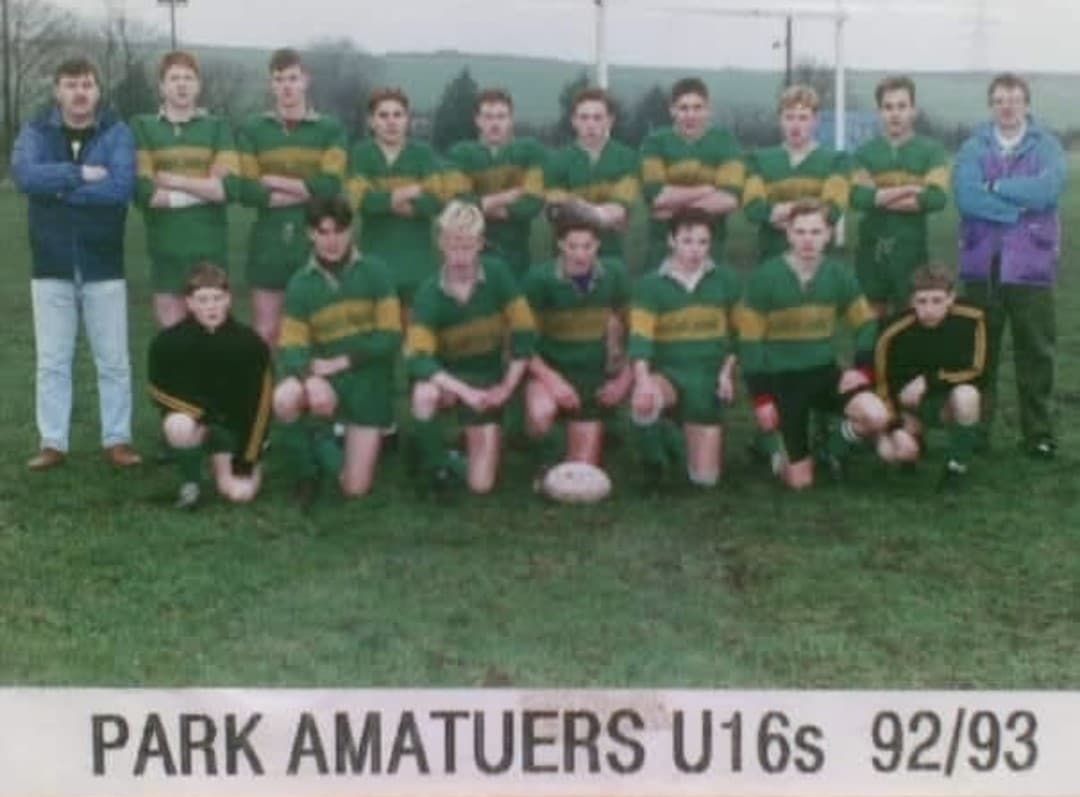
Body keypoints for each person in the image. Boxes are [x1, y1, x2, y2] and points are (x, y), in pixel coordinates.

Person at [11, 56, 141, 471]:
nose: (80, 92)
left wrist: (61, 190)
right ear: (57, 91)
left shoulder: (117, 132)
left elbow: (120, 188)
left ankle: (117, 440)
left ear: (98, 90)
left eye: (87, 84)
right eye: (71, 84)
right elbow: (25, 176)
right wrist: (80, 174)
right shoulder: (35, 131)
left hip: (104, 261)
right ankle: (53, 443)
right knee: (52, 360)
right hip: (51, 262)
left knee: (114, 360)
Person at [952, 72, 1067, 459]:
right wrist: (1018, 210)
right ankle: (976, 430)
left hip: (1031, 265)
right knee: (980, 351)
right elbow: (967, 197)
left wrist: (996, 188)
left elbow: (1047, 190)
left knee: (1035, 352)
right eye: (1000, 99)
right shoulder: (973, 147)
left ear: (1027, 104)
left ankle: (1038, 433)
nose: (1007, 106)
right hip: (981, 265)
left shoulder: (1046, 146)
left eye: (1015, 99)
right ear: (991, 105)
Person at [736, 200, 888, 490]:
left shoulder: (839, 274)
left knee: (875, 414)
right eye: (801, 232)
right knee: (800, 483)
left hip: (824, 373)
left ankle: (832, 446)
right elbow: (750, 343)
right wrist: (762, 399)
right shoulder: (765, 277)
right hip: (782, 379)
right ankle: (770, 442)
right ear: (788, 234)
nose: (808, 240)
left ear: (829, 234)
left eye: (816, 232)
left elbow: (866, 323)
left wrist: (862, 370)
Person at [273, 197, 402, 507]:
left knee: (354, 488)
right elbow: (291, 345)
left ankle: (323, 438)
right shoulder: (300, 283)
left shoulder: (377, 272)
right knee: (284, 397)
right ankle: (307, 471)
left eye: (340, 231)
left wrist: (343, 361)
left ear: (351, 231)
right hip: (326, 379)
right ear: (310, 234)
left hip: (369, 383)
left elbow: (391, 336)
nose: (332, 241)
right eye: (323, 232)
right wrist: (309, 378)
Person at [405, 201, 536, 495]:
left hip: (488, 377)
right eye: (453, 246)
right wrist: (463, 391)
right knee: (424, 394)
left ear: (480, 243)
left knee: (480, 486)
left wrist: (505, 387)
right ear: (441, 243)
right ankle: (435, 465)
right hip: (449, 379)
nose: (460, 256)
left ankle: (457, 450)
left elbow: (525, 333)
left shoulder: (499, 274)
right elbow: (419, 358)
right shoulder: (429, 292)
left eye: (467, 246)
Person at [237, 48, 348, 345]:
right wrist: (306, 191)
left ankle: (309, 392)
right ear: (271, 84)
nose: (287, 86)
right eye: (279, 79)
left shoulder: (331, 129)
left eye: (292, 78)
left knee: (316, 334)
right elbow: (247, 191)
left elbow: (332, 186)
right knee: (267, 332)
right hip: (267, 246)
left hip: (317, 243)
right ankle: (268, 393)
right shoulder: (252, 129)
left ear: (305, 81)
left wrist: (273, 180)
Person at [627, 209, 742, 489]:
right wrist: (642, 382)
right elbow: (640, 342)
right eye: (687, 241)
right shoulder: (649, 285)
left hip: (707, 379)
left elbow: (740, 335)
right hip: (669, 375)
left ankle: (675, 435)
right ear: (671, 241)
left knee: (705, 481)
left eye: (703, 242)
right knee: (645, 402)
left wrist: (726, 374)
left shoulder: (727, 280)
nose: (695, 250)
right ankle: (654, 465)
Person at [148, 263, 273, 508]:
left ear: (229, 299)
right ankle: (191, 481)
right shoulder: (169, 342)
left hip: (235, 428)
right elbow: (157, 391)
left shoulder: (249, 343)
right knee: (178, 425)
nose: (211, 306)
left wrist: (247, 458)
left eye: (217, 298)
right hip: (198, 422)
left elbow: (263, 405)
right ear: (189, 302)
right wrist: (202, 414)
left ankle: (235, 460)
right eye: (202, 300)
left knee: (238, 494)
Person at [131, 50, 239, 328]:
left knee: (213, 343)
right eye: (174, 78)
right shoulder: (142, 126)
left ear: (198, 85)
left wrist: (174, 181)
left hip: (210, 253)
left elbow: (229, 190)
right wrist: (205, 187)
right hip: (166, 252)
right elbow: (146, 194)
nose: (181, 84)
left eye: (188, 78)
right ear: (162, 86)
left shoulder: (218, 127)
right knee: (174, 345)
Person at [523, 215, 632, 470]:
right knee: (541, 414)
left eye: (588, 246)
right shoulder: (539, 279)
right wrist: (551, 379)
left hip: (593, 375)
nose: (580, 255)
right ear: (560, 245)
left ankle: (597, 428)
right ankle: (541, 450)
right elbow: (520, 343)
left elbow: (639, 333)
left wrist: (622, 379)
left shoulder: (614, 274)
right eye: (572, 246)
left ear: (598, 245)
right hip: (552, 370)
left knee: (582, 470)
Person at [874, 265, 987, 489]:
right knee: (889, 452)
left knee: (968, 395)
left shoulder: (972, 318)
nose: (929, 309)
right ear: (911, 301)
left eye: (937, 300)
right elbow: (882, 385)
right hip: (907, 405)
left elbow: (977, 370)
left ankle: (957, 466)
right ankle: (914, 441)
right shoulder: (891, 330)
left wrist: (928, 380)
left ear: (951, 298)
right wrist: (895, 425)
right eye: (922, 301)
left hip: (946, 402)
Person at [850, 76, 949, 317]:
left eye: (902, 106)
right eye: (888, 107)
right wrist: (909, 190)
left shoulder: (931, 151)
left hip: (912, 252)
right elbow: (857, 198)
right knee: (871, 330)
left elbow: (936, 198)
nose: (895, 114)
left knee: (909, 326)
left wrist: (879, 196)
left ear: (913, 110)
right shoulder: (864, 153)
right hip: (871, 253)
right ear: (880, 112)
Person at [347, 87, 444, 309]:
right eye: (383, 115)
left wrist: (384, 201)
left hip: (417, 265)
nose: (391, 122)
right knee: (379, 338)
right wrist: (409, 192)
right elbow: (361, 202)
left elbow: (435, 202)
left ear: (407, 119)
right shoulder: (361, 154)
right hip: (374, 264)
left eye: (398, 115)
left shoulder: (424, 154)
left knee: (415, 338)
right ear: (371, 121)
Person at [444, 88, 547, 279]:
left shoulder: (530, 151)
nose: (495, 123)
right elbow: (457, 202)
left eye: (501, 116)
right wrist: (506, 197)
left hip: (517, 254)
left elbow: (532, 202)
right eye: (488, 117)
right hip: (470, 255)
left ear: (511, 119)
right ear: (478, 120)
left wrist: (479, 206)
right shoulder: (461, 154)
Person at [641, 77, 744, 267]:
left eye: (698, 107)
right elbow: (656, 197)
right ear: (672, 110)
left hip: (712, 248)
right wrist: (706, 190)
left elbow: (730, 199)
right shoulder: (654, 142)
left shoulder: (726, 142)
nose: (691, 115)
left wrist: (673, 207)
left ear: (708, 110)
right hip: (662, 249)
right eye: (683, 108)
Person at [743, 84, 848, 261]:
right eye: (789, 117)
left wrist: (777, 212)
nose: (796, 124)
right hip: (772, 259)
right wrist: (810, 213)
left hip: (819, 264)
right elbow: (753, 209)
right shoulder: (758, 160)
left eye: (803, 117)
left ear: (816, 120)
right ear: (780, 119)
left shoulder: (836, 161)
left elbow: (833, 210)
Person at [545, 87, 640, 260]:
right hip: (566, 258)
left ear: (610, 120)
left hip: (610, 255)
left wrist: (576, 207)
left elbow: (620, 209)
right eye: (584, 117)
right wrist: (601, 215)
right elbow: (557, 211)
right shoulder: (556, 161)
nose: (590, 124)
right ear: (574, 121)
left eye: (598, 117)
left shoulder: (628, 158)